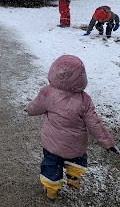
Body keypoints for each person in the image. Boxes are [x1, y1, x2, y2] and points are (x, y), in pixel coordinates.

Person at [25, 55, 118, 201]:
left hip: (52, 144)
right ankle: (73, 176)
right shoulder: (84, 99)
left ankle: (51, 190)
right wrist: (108, 143)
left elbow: (35, 108)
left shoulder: (48, 93)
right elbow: (95, 123)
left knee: (51, 166)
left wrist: (28, 109)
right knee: (77, 159)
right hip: (75, 145)